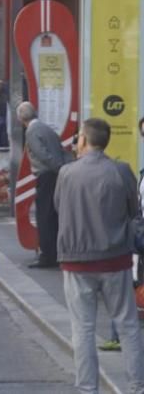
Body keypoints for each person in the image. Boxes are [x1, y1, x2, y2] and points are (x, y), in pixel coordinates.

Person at [54, 118, 144, 394]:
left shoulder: (67, 173)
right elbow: (133, 211)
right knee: (127, 324)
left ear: (83, 139)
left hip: (76, 260)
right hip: (115, 258)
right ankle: (137, 386)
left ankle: (87, 388)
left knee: (83, 328)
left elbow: (59, 207)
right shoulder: (121, 171)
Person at [18, 101, 66, 269]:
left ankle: (47, 255)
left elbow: (42, 154)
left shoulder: (31, 131)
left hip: (46, 175)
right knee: (53, 214)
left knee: (44, 216)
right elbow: (59, 149)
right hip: (55, 175)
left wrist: (57, 167)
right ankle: (56, 252)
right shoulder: (46, 128)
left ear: (20, 118)